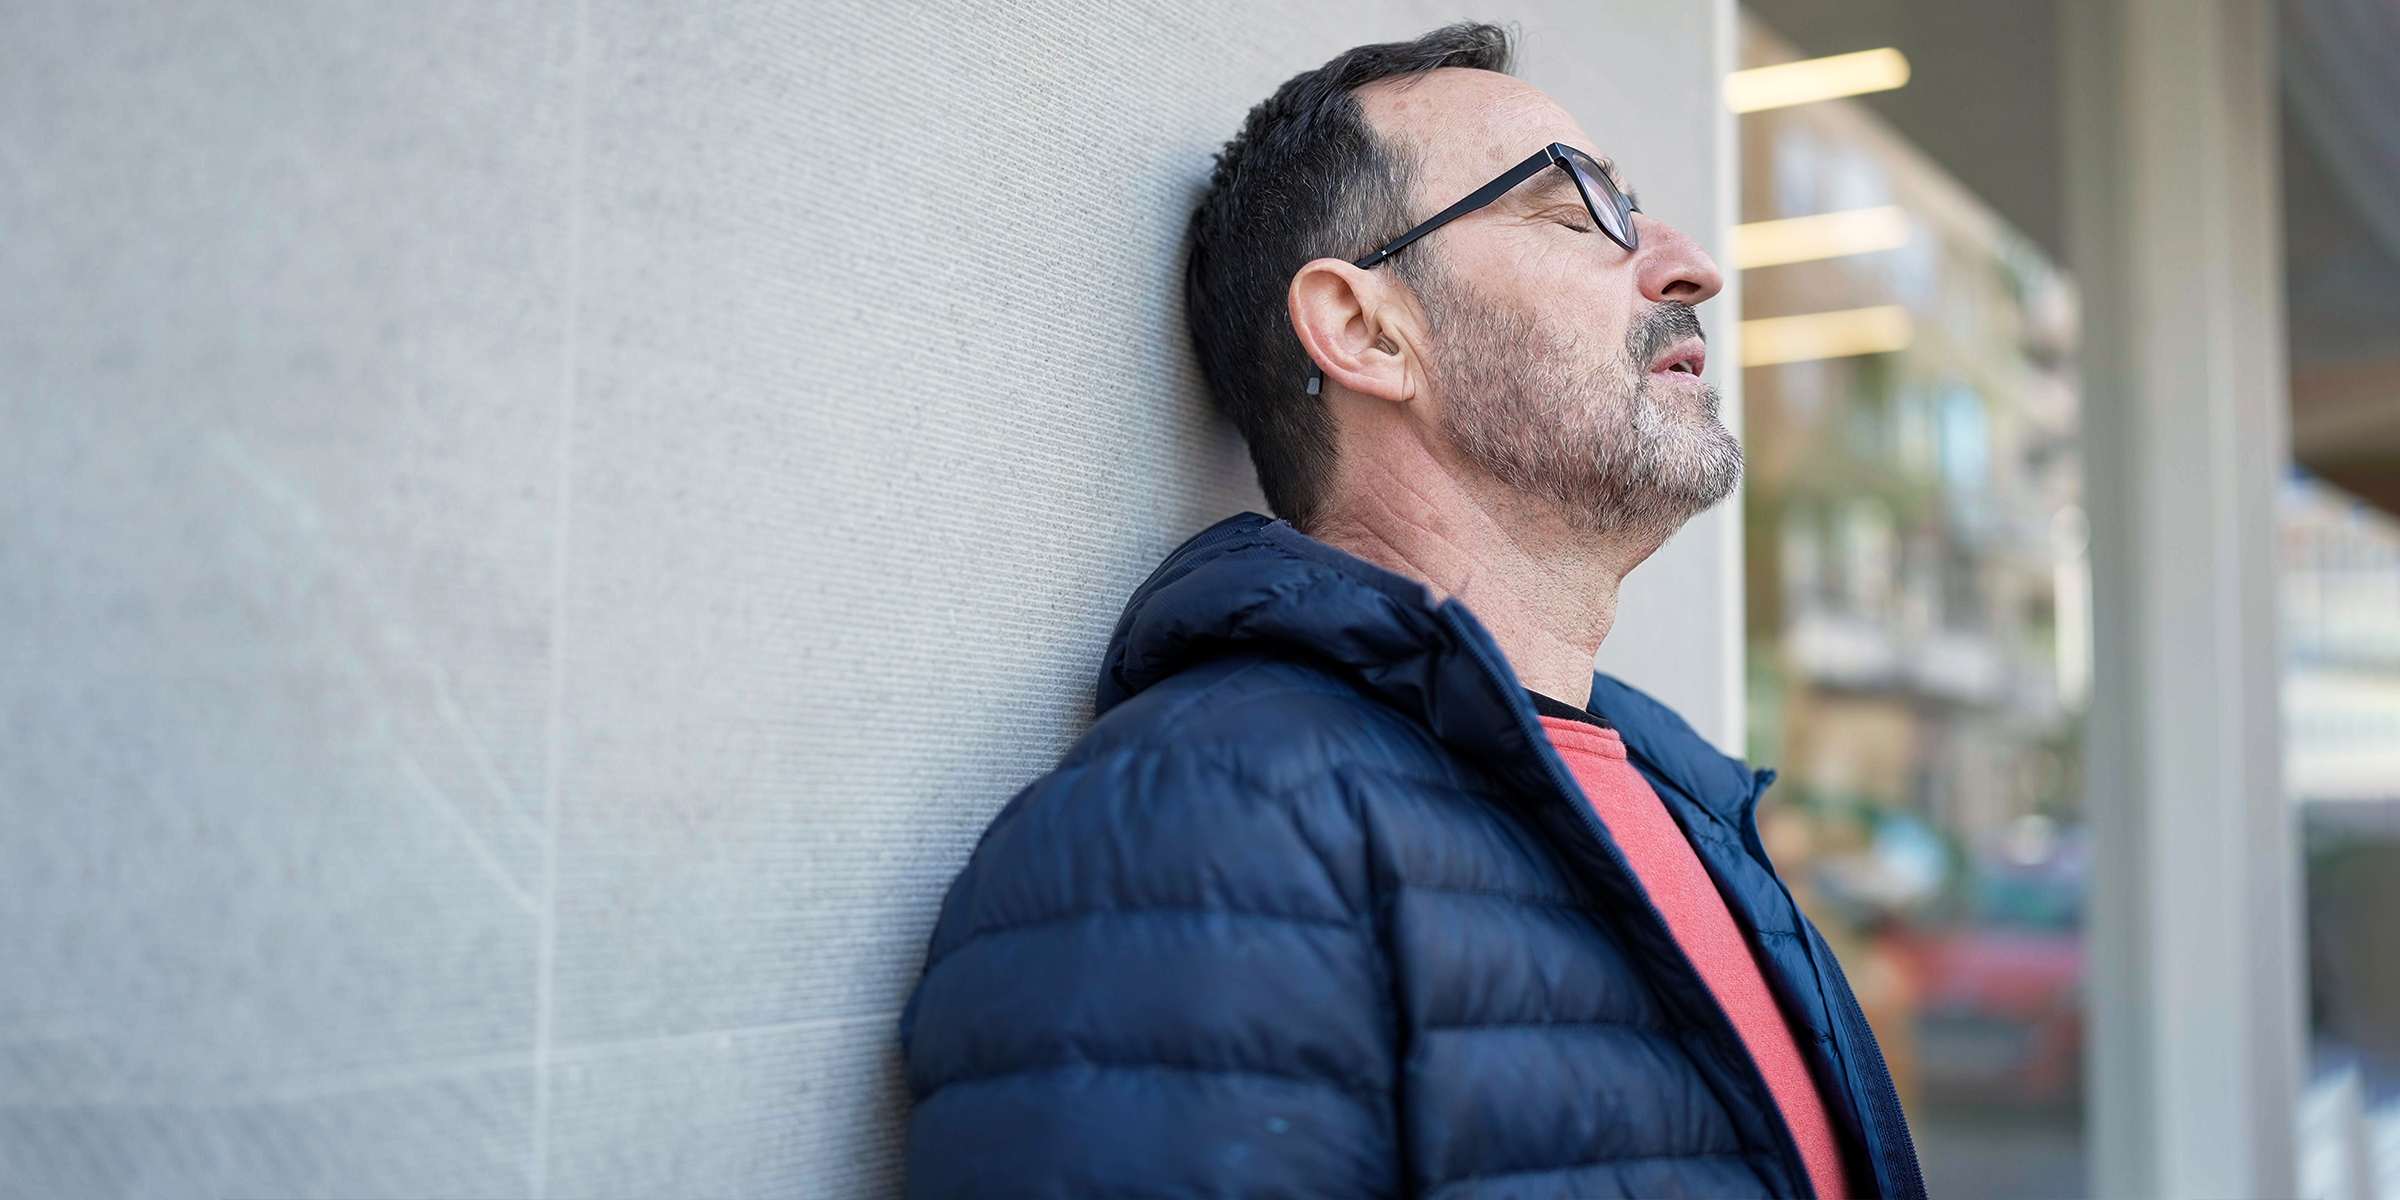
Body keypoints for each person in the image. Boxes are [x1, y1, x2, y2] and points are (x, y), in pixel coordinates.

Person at [900, 23, 1921, 1199]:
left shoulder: (1680, 799)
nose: (1688, 265)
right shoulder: (1205, 840)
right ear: (1364, 328)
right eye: (1576, 208)